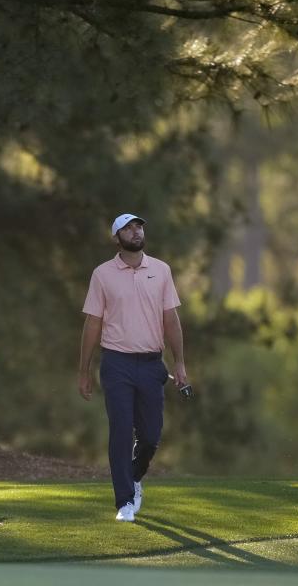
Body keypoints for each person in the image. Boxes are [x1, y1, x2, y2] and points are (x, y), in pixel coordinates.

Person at [79, 213, 189, 522]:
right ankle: (124, 501)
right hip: (116, 363)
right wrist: (83, 371)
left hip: (152, 363)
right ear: (117, 238)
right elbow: (92, 324)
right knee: (121, 432)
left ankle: (135, 477)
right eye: (127, 228)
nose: (135, 231)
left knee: (151, 436)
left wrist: (179, 362)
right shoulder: (102, 275)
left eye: (138, 225)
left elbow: (171, 320)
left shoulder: (161, 270)